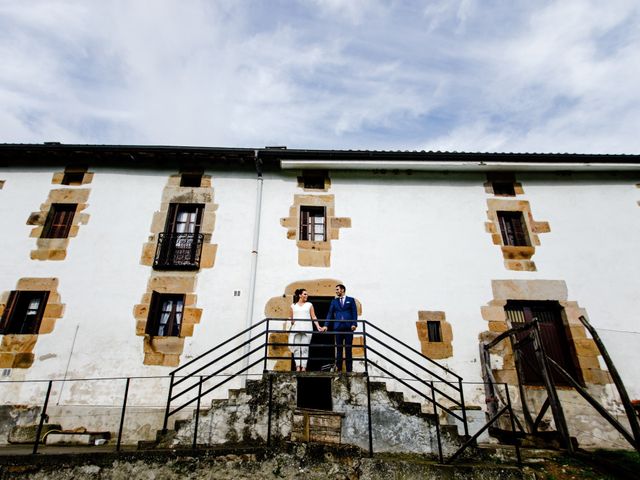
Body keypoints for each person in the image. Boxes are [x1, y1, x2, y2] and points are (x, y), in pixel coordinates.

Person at [289, 288, 326, 372]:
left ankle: (304, 367)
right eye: (305, 294)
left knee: (305, 348)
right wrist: (291, 324)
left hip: (307, 328)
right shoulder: (293, 306)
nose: (306, 295)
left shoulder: (309, 304)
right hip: (296, 329)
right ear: (300, 295)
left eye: (306, 294)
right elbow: (291, 319)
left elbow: (313, 317)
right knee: (296, 348)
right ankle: (298, 366)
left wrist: (318, 326)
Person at [325, 284, 358, 372]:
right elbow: (330, 314)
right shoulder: (334, 301)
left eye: (337, 289)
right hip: (338, 327)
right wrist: (326, 325)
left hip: (348, 328)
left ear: (342, 290)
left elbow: (354, 312)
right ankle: (339, 369)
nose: (336, 291)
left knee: (348, 349)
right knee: (339, 349)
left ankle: (349, 370)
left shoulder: (350, 300)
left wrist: (354, 324)